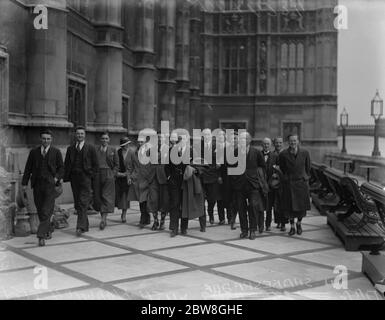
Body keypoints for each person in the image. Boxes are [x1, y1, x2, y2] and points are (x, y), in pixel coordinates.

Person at [22, 129, 64, 246]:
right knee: (40, 210)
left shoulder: (56, 152)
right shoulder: (33, 152)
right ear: (40, 139)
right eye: (44, 138)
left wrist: (56, 178)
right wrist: (24, 184)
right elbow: (27, 169)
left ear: (51, 139)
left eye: (48, 139)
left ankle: (41, 236)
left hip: (50, 185)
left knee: (46, 209)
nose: (46, 141)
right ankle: (48, 228)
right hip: (37, 185)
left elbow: (61, 168)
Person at [231, 132, 268, 239]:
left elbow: (263, 167)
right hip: (240, 185)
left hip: (253, 185)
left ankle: (252, 230)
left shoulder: (256, 152)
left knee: (253, 207)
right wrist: (235, 180)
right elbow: (231, 167)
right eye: (241, 139)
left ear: (249, 140)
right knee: (241, 208)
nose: (242, 141)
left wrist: (257, 178)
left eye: (245, 139)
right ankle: (244, 230)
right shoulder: (235, 152)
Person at [64, 126, 99, 236]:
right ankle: (85, 225)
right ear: (75, 135)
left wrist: (91, 175)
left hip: (86, 178)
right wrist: (65, 176)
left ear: (85, 135)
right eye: (78, 134)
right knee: (78, 203)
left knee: (83, 202)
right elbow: (67, 164)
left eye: (82, 134)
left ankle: (80, 227)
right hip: (74, 178)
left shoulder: (91, 148)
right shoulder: (70, 149)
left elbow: (96, 164)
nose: (80, 135)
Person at [278, 134, 311, 236]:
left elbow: (308, 167)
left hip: (301, 183)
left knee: (301, 207)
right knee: (289, 207)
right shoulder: (283, 154)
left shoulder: (305, 153)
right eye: (291, 141)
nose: (293, 143)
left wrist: (304, 178)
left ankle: (299, 224)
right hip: (289, 183)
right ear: (288, 142)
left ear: (298, 141)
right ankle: (292, 227)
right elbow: (282, 168)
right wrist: (287, 178)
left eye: (295, 141)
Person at [165, 132, 189, 237]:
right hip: (174, 181)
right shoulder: (171, 151)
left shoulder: (190, 151)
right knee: (174, 204)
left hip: (185, 181)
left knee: (184, 205)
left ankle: (184, 227)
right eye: (179, 141)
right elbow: (166, 166)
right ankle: (174, 228)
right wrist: (169, 177)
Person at [95, 132, 119, 230]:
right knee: (99, 195)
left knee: (106, 196)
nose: (104, 140)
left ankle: (103, 219)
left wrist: (113, 174)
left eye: (106, 138)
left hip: (108, 174)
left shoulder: (113, 150)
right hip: (97, 174)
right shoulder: (96, 150)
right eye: (103, 138)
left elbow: (117, 164)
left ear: (109, 140)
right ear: (100, 140)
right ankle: (102, 217)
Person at [200, 128, 222, 226]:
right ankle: (203, 219)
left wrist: (219, 174)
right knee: (201, 199)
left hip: (213, 176)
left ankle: (211, 214)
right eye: (204, 135)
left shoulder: (217, 146)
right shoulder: (198, 147)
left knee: (212, 199)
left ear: (211, 136)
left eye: (208, 134)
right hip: (202, 176)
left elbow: (220, 162)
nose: (206, 137)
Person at [271, 136, 287, 231]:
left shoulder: (285, 154)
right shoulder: (272, 154)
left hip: (284, 182)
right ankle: (278, 221)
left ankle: (284, 223)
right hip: (275, 182)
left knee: (283, 203)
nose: (278, 144)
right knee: (276, 203)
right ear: (274, 144)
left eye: (280, 143)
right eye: (277, 143)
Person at [261, 137, 277, 232]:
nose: (266, 146)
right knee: (260, 206)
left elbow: (278, 169)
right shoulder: (258, 154)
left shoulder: (275, 156)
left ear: (270, 145)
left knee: (269, 207)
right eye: (264, 144)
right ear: (261, 145)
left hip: (270, 185)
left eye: (268, 144)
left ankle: (268, 225)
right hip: (261, 185)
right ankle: (260, 224)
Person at [115, 136, 131, 223]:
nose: (127, 146)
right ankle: (122, 212)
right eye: (126, 144)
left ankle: (124, 214)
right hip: (119, 178)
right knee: (120, 196)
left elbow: (134, 165)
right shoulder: (118, 152)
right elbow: (115, 165)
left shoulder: (131, 153)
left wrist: (129, 176)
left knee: (126, 197)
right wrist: (118, 174)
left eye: (128, 144)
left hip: (128, 178)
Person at [156, 133, 170, 230]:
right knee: (154, 200)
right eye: (158, 138)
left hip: (164, 178)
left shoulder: (169, 149)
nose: (160, 139)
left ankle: (162, 221)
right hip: (153, 177)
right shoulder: (153, 149)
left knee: (164, 200)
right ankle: (156, 220)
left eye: (162, 137)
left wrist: (168, 176)